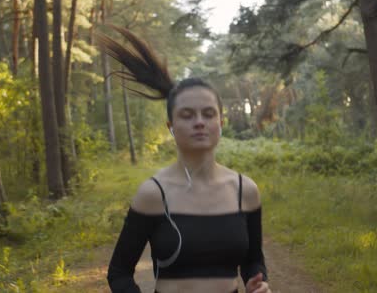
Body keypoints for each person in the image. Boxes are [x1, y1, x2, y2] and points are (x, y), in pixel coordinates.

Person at [99, 26, 271, 293]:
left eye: (208, 114)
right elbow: (119, 272)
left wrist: (258, 281)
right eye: (187, 115)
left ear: (221, 123)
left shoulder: (245, 191)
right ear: (171, 126)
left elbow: (253, 261)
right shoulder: (153, 193)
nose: (199, 122)